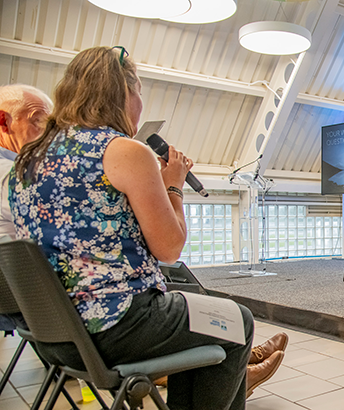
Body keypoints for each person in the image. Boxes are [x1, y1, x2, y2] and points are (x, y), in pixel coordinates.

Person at [8, 46, 285, 409]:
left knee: (202, 317)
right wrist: (173, 185)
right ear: (123, 92)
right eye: (139, 92)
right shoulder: (123, 151)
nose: (140, 104)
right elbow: (169, 249)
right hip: (117, 325)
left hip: (52, 336)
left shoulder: (25, 162)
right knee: (237, 320)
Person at [0, 84, 53, 333]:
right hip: (29, 305)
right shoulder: (10, 175)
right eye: (38, 122)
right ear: (4, 121)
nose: (47, 136)